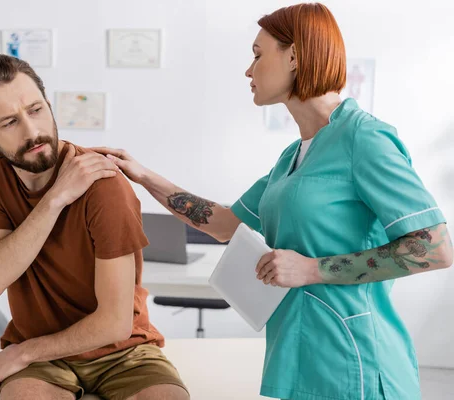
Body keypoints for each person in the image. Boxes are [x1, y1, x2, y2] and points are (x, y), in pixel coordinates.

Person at [92, 3, 453, 400]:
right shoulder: (292, 157)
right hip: (301, 351)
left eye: (258, 54)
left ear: (295, 56)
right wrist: (143, 176)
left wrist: (313, 269)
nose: (249, 70)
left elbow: (433, 248)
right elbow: (223, 223)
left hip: (357, 359)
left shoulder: (364, 140)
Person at [0, 54, 189, 400]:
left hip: (123, 349)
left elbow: (115, 323)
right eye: (9, 122)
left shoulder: (104, 184)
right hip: (41, 352)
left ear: (49, 105)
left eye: (36, 110)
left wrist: (23, 353)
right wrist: (55, 199)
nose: (32, 131)